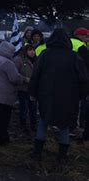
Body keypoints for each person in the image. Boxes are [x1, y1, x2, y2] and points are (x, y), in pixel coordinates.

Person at [29, 29, 88, 162]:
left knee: (43, 122)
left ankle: (37, 153)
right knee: (64, 125)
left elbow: (35, 75)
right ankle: (62, 156)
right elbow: (83, 78)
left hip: (46, 95)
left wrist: (32, 92)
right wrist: (82, 95)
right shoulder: (74, 56)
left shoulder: (45, 54)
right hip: (68, 96)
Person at [0, 41, 26, 145]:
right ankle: (3, 139)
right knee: (4, 119)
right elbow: (14, 78)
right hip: (3, 96)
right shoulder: (7, 62)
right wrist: (24, 79)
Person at [14, 44, 37, 131]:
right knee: (24, 107)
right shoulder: (19, 60)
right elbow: (15, 73)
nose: (32, 52)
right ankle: (23, 125)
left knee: (33, 108)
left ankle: (33, 125)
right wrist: (24, 79)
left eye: (33, 50)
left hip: (33, 89)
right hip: (23, 88)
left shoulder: (36, 60)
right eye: (30, 50)